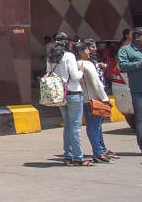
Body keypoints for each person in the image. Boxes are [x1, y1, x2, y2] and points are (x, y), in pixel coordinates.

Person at [47, 33, 90, 166]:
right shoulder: (69, 56)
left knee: (67, 126)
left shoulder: (50, 57)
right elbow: (76, 76)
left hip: (60, 95)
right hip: (73, 93)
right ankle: (78, 158)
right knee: (75, 127)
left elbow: (48, 74)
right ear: (68, 43)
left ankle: (68, 155)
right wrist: (82, 69)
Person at [77, 41, 112, 163]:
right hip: (94, 99)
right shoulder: (87, 64)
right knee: (95, 127)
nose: (88, 52)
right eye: (86, 50)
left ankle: (98, 151)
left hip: (83, 99)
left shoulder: (76, 64)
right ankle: (98, 152)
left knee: (91, 126)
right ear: (81, 52)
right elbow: (96, 84)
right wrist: (105, 99)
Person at [117, 27, 142, 154]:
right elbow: (122, 65)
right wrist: (139, 64)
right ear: (137, 38)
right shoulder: (125, 50)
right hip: (138, 90)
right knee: (140, 119)